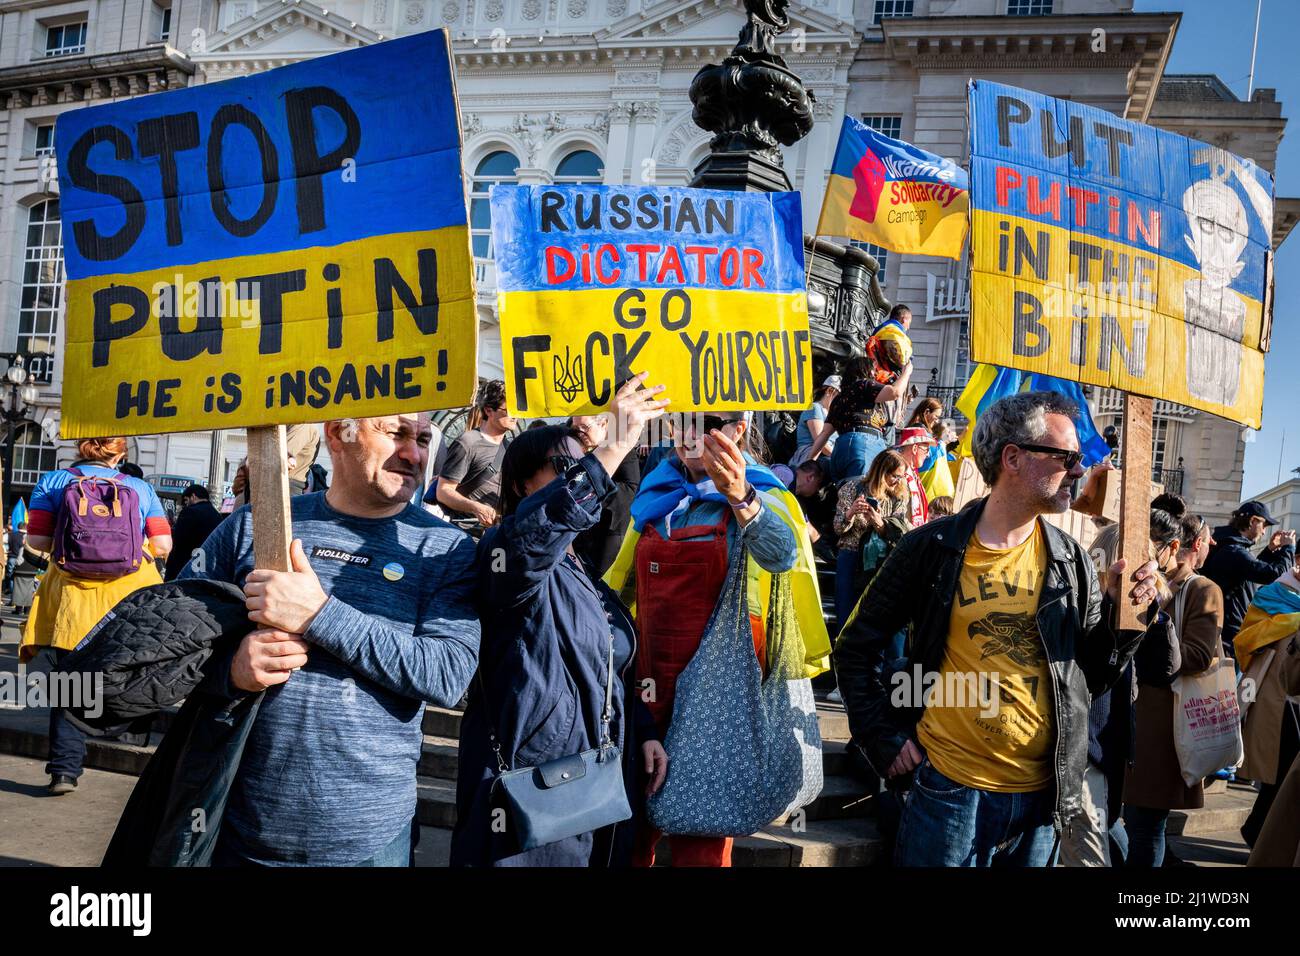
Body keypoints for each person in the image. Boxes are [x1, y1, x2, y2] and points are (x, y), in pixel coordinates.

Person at [835, 391, 1164, 867]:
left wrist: (1123, 616)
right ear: (1013, 457)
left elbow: (1091, 676)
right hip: (946, 793)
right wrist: (881, 738)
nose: (1078, 470)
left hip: (1039, 806)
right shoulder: (931, 547)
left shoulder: (1072, 561)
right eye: (1067, 457)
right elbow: (854, 648)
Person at [179, 413, 480, 866]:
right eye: (395, 433)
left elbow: (447, 673)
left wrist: (319, 615)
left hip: (369, 841)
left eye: (421, 438)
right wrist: (231, 669)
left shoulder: (445, 548)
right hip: (238, 827)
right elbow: (170, 644)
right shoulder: (251, 526)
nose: (414, 454)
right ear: (338, 433)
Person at [452, 375, 669, 866]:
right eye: (564, 465)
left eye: (583, 461)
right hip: (530, 794)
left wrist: (643, 729)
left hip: (595, 787)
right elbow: (537, 533)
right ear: (522, 484)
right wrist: (609, 450)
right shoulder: (505, 551)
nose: (581, 472)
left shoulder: (583, 569)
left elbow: (605, 665)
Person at [605, 412, 809, 868]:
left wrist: (741, 496)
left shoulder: (762, 490)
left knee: (702, 842)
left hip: (719, 690)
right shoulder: (657, 491)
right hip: (648, 682)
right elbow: (622, 582)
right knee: (630, 831)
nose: (687, 435)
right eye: (680, 423)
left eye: (706, 423)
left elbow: (782, 554)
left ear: (739, 429)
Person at [19, 437, 173, 795]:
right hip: (127, 594)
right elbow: (163, 545)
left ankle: (64, 771)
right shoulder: (138, 487)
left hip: (72, 594)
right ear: (120, 453)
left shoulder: (54, 482)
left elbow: (38, 541)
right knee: (129, 669)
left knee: (69, 681)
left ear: (82, 448)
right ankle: (129, 732)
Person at [1120, 505, 1222, 868]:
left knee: (1145, 827)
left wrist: (1159, 613)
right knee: (1121, 825)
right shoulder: (1128, 578)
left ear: (1173, 546)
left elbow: (1197, 657)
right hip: (1123, 720)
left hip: (1163, 727)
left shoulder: (1203, 590)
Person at [1235, 564, 1300, 848]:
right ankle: (1258, 832)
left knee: (1282, 772)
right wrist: (1292, 622)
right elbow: (1246, 638)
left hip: (1293, 697)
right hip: (1273, 693)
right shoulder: (1273, 593)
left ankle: (1258, 830)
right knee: (1280, 771)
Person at [832, 449, 912, 637]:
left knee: (876, 620)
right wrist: (851, 513)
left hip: (880, 561)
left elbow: (899, 533)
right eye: (895, 476)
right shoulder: (852, 488)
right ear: (882, 471)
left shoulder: (900, 495)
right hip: (851, 556)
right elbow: (837, 529)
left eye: (901, 477)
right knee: (846, 615)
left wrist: (880, 523)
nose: (898, 481)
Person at [1201, 500, 1295, 652]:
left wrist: (1269, 551)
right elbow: (1274, 575)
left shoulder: (1228, 546)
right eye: (1264, 525)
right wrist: (1288, 548)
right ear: (1253, 521)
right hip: (1227, 635)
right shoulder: (1233, 550)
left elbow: (1249, 574)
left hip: (1222, 629)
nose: (1264, 532)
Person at [806, 352, 914, 483]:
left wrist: (809, 462)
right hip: (864, 445)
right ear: (865, 370)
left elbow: (824, 434)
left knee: (845, 497)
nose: (875, 375)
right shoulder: (863, 385)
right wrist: (906, 373)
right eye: (874, 371)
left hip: (841, 450)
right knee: (863, 496)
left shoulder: (839, 398)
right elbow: (895, 392)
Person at [569, 411, 641, 577]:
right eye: (575, 429)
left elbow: (629, 488)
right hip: (581, 527)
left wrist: (588, 492)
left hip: (610, 527)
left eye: (584, 428)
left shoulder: (623, 449)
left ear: (603, 424)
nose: (579, 434)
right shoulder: (575, 450)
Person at [437, 380, 515, 529]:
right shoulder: (468, 442)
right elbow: (443, 491)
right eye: (508, 410)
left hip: (496, 534)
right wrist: (476, 507)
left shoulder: (510, 447)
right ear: (488, 410)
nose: (514, 416)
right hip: (465, 532)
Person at [163, 484, 225, 582]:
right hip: (208, 568)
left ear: (193, 496)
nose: (186, 504)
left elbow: (178, 540)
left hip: (185, 566)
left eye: (186, 501)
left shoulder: (189, 512)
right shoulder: (217, 515)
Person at [789, 375, 841, 466]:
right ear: (829, 391)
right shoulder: (814, 408)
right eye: (840, 396)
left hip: (827, 455)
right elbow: (821, 443)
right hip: (812, 457)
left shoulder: (832, 413)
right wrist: (840, 458)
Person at [892, 425, 934, 526]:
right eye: (926, 450)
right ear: (915, 449)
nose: (928, 455)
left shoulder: (913, 474)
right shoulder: (897, 475)